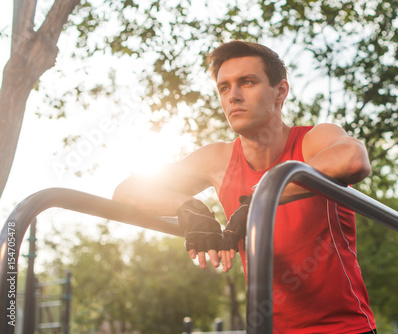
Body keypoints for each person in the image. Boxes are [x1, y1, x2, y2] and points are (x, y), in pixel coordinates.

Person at [113, 40, 377, 334]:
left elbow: (354, 159)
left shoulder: (312, 141)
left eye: (247, 82)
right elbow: (127, 191)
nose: (233, 96)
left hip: (344, 329)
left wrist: (259, 199)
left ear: (280, 91)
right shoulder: (218, 159)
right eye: (224, 88)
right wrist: (188, 208)